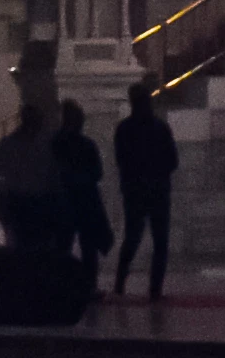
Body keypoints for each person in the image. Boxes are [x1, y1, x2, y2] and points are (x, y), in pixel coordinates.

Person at [110, 85, 183, 301]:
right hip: (158, 189)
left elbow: (121, 161)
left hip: (135, 190)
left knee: (132, 237)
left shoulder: (124, 129)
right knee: (160, 240)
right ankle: (155, 289)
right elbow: (172, 160)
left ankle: (120, 283)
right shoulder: (160, 128)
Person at [43, 102, 109, 280]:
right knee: (88, 246)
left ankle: (59, 282)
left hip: (63, 199)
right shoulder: (85, 144)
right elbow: (97, 173)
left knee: (63, 245)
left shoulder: (54, 143)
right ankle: (88, 283)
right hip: (84, 200)